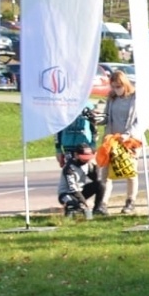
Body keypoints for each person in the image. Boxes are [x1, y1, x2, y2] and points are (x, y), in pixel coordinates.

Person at [98, 70, 140, 215]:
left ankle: (130, 201)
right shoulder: (112, 98)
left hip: (130, 140)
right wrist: (96, 119)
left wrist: (127, 134)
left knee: (130, 171)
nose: (116, 89)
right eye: (113, 86)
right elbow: (107, 117)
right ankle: (103, 203)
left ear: (124, 84)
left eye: (118, 86)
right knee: (106, 173)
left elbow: (139, 121)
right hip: (112, 140)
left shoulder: (135, 98)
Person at [55, 103, 103, 217]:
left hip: (86, 147)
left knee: (98, 181)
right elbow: (57, 128)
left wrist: (92, 147)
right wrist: (58, 149)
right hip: (68, 146)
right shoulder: (62, 104)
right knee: (70, 176)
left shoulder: (88, 105)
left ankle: (98, 207)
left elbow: (94, 127)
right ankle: (72, 204)